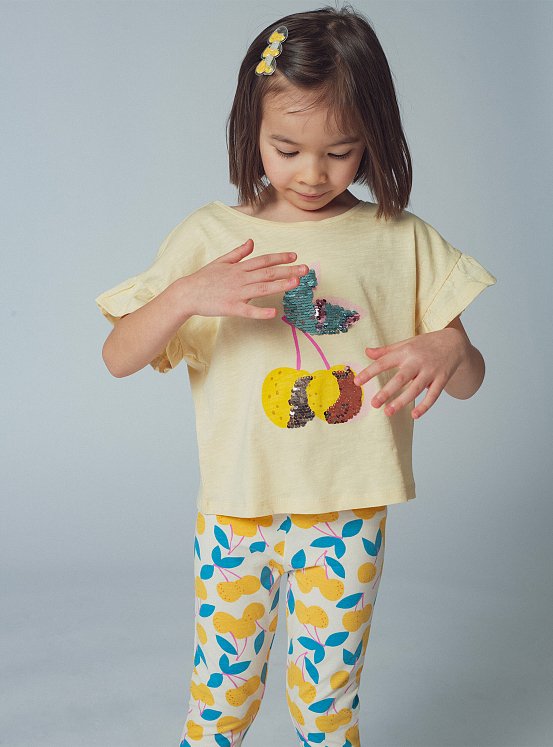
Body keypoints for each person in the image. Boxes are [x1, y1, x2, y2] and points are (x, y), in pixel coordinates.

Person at [95, 6, 497, 746]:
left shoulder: (399, 239)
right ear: (249, 128)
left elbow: (468, 377)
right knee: (218, 701)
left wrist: (450, 349)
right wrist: (184, 295)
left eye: (341, 152)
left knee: (327, 708)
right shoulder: (212, 237)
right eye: (286, 148)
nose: (312, 174)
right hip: (237, 512)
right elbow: (118, 356)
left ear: (374, 137)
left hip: (346, 516)